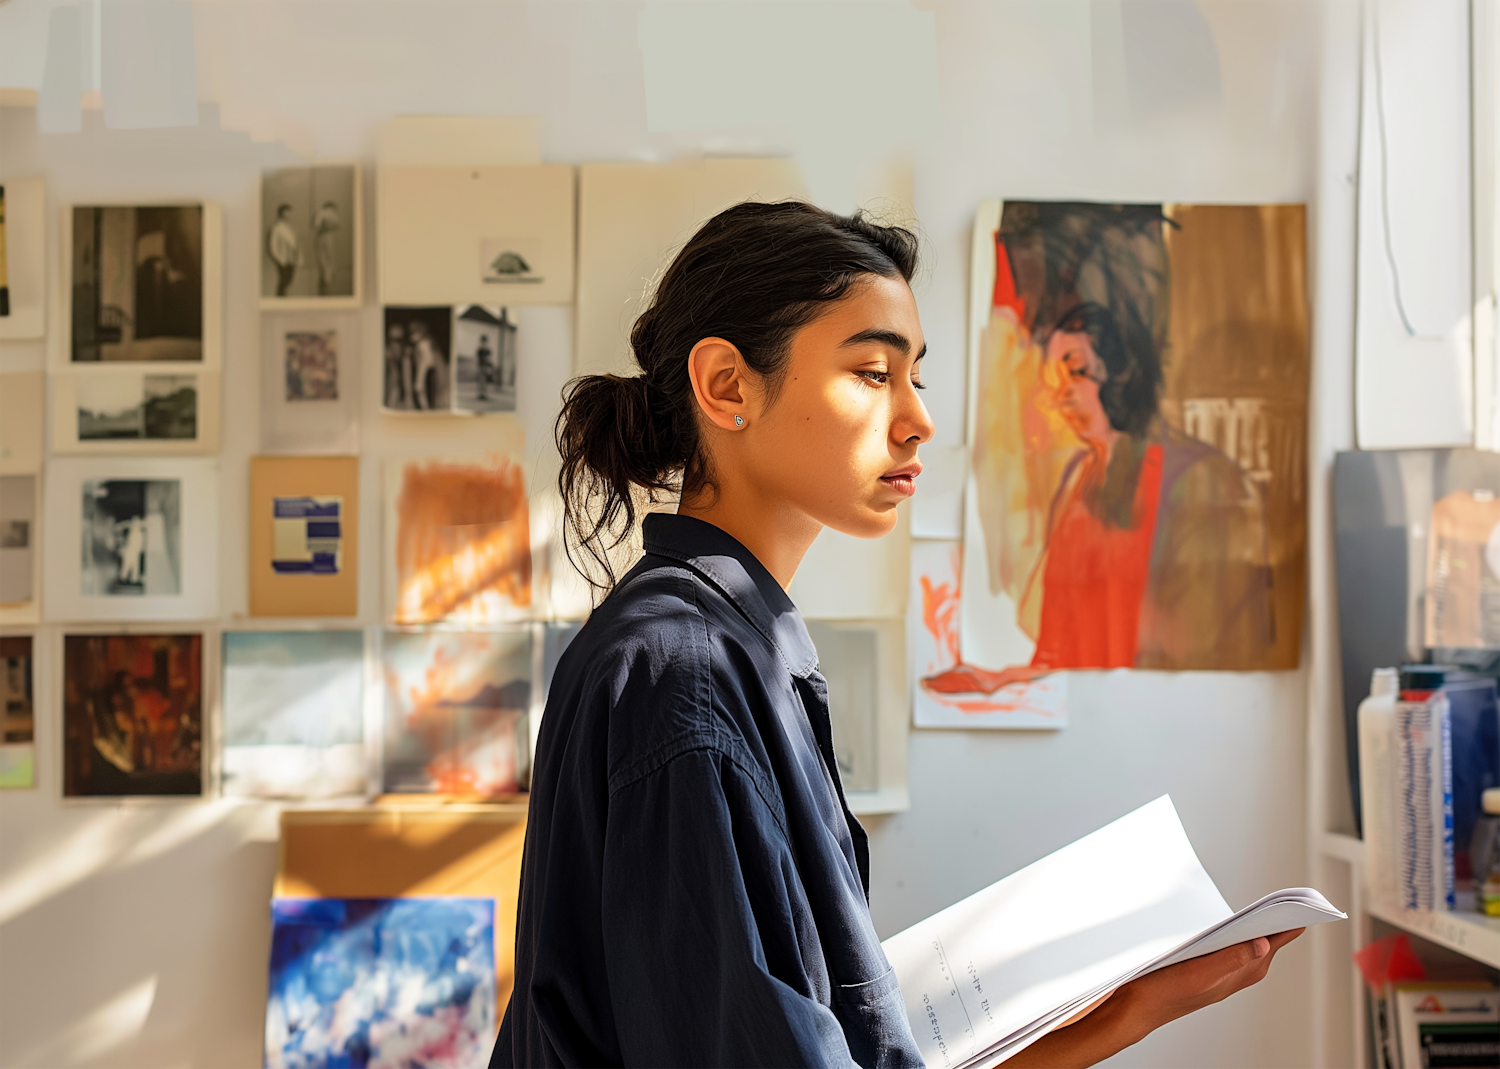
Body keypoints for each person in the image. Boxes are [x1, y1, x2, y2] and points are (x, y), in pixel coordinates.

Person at [493, 202, 1301, 1069]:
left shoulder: (724, 647)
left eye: (915, 374)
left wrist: (1120, 1013)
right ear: (728, 385)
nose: (917, 418)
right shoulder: (683, 673)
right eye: (873, 373)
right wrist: (1120, 1023)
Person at [924, 299, 1275, 698]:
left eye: (1075, 372)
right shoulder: (1078, 476)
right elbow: (1060, 639)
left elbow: (1197, 645)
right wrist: (1003, 678)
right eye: (1053, 380)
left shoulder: (1203, 480)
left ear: (1124, 372)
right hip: (1080, 715)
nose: (1060, 396)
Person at [267, 204, 299, 297]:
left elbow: (293, 243)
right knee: (283, 281)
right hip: (283, 259)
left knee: (288, 281)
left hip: (291, 259)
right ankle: (280, 300)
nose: (289, 215)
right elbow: (272, 246)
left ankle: (283, 298)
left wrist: (295, 257)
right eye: (286, 213)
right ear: (281, 213)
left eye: (289, 213)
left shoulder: (288, 227)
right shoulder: (276, 227)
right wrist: (280, 259)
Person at [313, 200, 339, 296]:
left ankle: (326, 281)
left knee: (328, 259)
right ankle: (325, 282)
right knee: (324, 260)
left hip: (326, 237)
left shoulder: (325, 213)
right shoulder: (323, 213)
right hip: (323, 237)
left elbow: (335, 225)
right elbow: (317, 225)